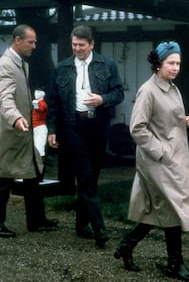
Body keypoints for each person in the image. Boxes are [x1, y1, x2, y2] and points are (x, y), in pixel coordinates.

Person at [114, 41, 189, 281]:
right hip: (158, 160)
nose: (175, 68)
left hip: (173, 158)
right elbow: (138, 128)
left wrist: (186, 123)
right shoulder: (148, 91)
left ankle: (127, 247)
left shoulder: (172, 88)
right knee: (171, 208)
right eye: (171, 63)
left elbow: (168, 120)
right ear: (159, 63)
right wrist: (161, 152)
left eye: (178, 63)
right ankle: (176, 264)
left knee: (159, 209)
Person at [46, 25, 124, 248]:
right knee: (85, 174)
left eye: (81, 45)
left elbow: (118, 93)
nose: (77, 48)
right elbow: (53, 102)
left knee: (92, 177)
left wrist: (102, 100)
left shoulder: (107, 64)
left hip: (99, 126)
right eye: (74, 45)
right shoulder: (62, 67)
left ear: (91, 44)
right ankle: (99, 229)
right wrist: (52, 129)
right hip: (74, 126)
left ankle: (81, 225)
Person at [0, 24, 59, 238]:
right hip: (11, 133)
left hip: (24, 132)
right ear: (17, 40)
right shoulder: (5, 66)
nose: (35, 46)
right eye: (31, 42)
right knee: (2, 177)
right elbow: (3, 99)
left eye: (35, 42)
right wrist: (17, 118)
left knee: (32, 174)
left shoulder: (20, 64)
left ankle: (36, 221)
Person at [32, 89, 48, 164]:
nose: (36, 94)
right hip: (35, 127)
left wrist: (35, 104)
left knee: (39, 147)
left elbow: (40, 110)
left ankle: (41, 165)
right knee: (36, 146)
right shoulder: (38, 102)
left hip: (40, 128)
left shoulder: (43, 103)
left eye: (38, 93)